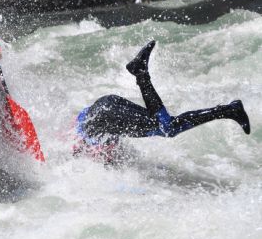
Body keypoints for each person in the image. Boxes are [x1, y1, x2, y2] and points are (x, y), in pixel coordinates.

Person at [73, 40, 251, 163]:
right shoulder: (81, 139)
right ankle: (229, 110)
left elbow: (94, 152)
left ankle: (140, 72)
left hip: (105, 117)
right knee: (164, 123)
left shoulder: (81, 155)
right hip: (106, 103)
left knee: (166, 128)